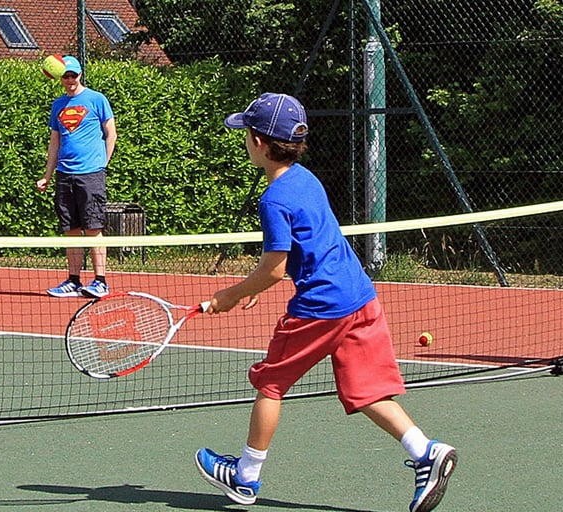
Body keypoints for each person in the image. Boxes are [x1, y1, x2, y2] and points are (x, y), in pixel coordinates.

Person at [193, 93, 456, 512]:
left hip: (320, 308)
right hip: (359, 297)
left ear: (259, 142)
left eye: (246, 133)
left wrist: (231, 294)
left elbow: (274, 269)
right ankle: (426, 452)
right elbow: (302, 249)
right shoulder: (306, 179)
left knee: (270, 384)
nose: (245, 140)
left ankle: (245, 476)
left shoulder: (273, 199)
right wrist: (258, 284)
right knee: (367, 391)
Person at [35, 55, 117, 298]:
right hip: (64, 174)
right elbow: (54, 142)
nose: (70, 80)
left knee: (93, 228)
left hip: (90, 174)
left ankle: (100, 281)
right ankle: (73, 281)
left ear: (80, 75)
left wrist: (102, 164)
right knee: (71, 230)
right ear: (60, 78)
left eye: (73, 75)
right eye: (66, 76)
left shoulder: (97, 99)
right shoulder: (58, 105)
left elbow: (111, 133)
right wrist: (47, 175)